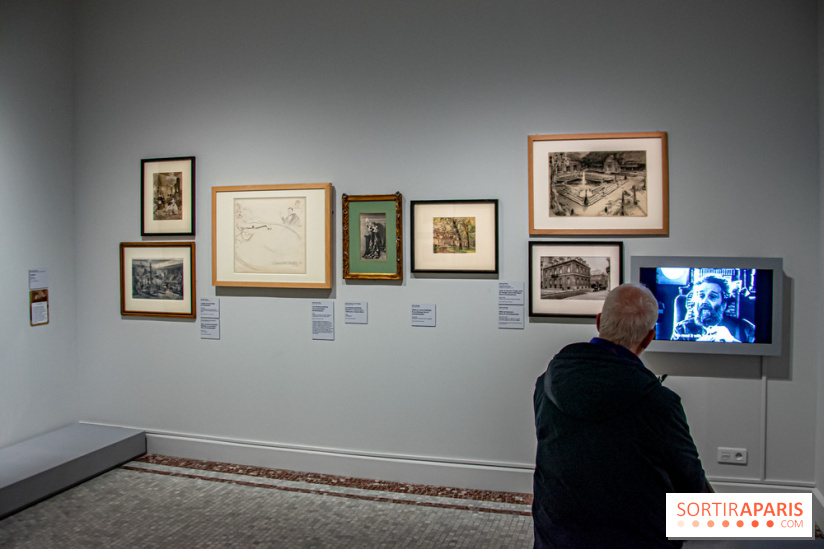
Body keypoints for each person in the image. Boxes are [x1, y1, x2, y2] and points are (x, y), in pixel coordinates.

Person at [532, 283, 707, 548]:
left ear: (599, 322)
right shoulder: (660, 404)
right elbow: (692, 489)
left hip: (556, 538)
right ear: (649, 337)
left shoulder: (547, 383)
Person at [672, 275, 755, 343]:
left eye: (712, 296)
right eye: (701, 296)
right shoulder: (682, 328)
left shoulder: (746, 329)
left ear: (724, 304)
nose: (704, 301)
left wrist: (731, 341)